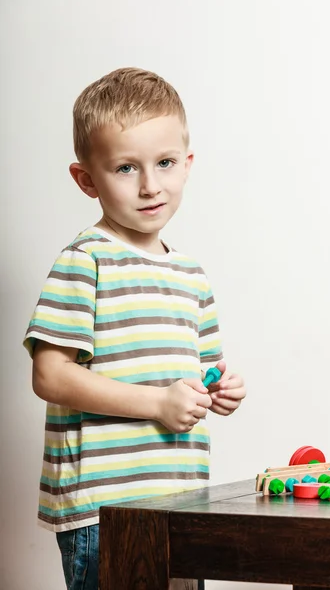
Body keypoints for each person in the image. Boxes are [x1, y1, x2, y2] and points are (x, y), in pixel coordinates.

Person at [23, 67, 246, 590]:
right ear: (86, 179)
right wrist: (157, 404)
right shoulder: (86, 261)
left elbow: (199, 374)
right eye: (125, 167)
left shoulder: (190, 274)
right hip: (105, 510)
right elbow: (50, 377)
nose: (150, 185)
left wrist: (220, 389)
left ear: (186, 165)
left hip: (181, 501)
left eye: (164, 163)